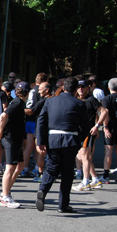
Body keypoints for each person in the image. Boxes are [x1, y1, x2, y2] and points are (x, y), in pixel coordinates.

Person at [36, 77, 89, 213]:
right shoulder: (79, 103)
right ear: (76, 89)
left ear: (64, 87)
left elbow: (41, 120)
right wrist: (80, 139)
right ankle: (63, 205)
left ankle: (42, 190)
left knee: (51, 168)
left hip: (53, 139)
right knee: (67, 173)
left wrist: (41, 140)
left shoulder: (50, 101)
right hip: (71, 139)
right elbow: (85, 125)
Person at [0, 81, 30, 208]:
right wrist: (0, 132)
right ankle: (5, 197)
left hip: (16, 139)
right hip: (10, 139)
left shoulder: (19, 103)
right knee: (10, 168)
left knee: (20, 166)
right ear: (27, 93)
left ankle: (5, 192)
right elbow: (3, 115)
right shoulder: (16, 103)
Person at [73, 80, 106, 191]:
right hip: (78, 131)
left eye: (83, 87)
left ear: (88, 88)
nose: (81, 89)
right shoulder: (76, 99)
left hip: (88, 132)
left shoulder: (91, 99)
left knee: (85, 157)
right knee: (83, 156)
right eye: (79, 87)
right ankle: (95, 178)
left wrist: (97, 126)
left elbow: (104, 111)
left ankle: (85, 181)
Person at [21, 72, 49, 178]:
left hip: (29, 120)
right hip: (38, 120)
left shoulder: (31, 90)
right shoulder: (42, 91)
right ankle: (38, 168)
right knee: (39, 146)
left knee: (28, 146)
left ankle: (24, 168)